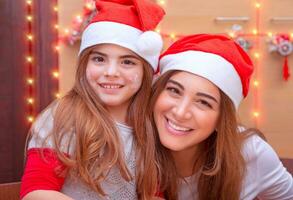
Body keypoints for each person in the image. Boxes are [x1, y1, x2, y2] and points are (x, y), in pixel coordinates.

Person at [20, 0, 165, 199]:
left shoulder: (151, 123)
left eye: (127, 62)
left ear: (146, 71)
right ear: (85, 64)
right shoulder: (63, 117)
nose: (111, 72)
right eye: (99, 59)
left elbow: (155, 192)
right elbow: (35, 192)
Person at [149, 34, 293, 200]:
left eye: (203, 102)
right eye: (174, 90)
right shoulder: (128, 146)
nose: (180, 112)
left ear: (221, 120)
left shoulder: (250, 153)